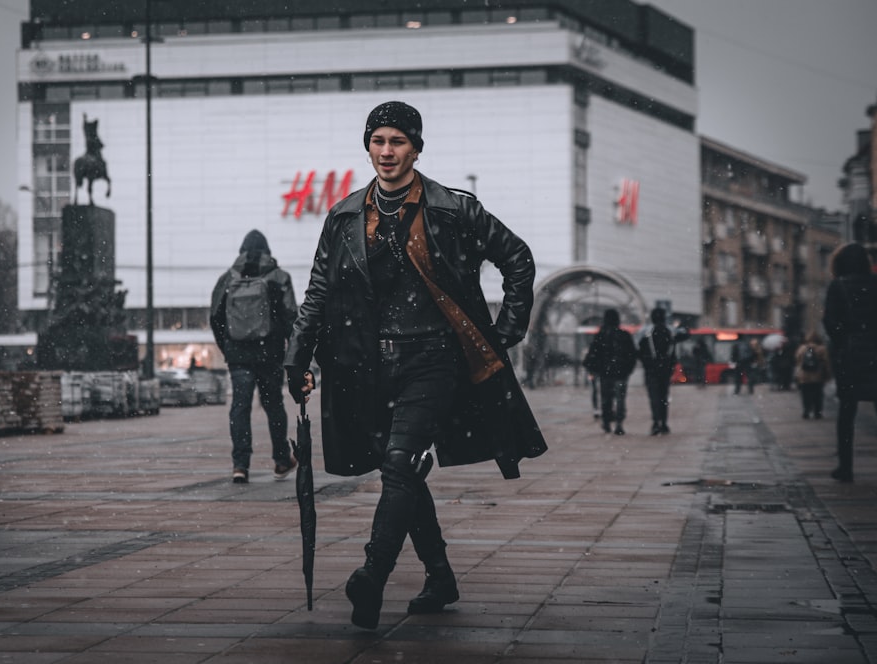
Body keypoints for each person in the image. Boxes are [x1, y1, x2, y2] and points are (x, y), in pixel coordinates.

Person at [284, 101, 547, 629]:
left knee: (401, 465)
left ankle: (371, 577)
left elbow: (517, 259)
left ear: (416, 148)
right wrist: (297, 356)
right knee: (398, 470)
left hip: (436, 359)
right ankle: (440, 574)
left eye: (398, 141)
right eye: (378, 141)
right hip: (369, 366)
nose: (387, 151)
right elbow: (318, 291)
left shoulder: (453, 208)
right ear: (368, 147)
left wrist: (505, 333)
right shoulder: (344, 216)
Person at [210, 230, 299, 484]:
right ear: (267, 251)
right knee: (274, 406)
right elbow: (291, 316)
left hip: (238, 355)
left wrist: (228, 348)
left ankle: (240, 465)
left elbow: (215, 318)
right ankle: (282, 459)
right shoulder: (279, 277)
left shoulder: (227, 279)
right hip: (269, 354)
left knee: (240, 407)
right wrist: (289, 350)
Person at [822, 242, 877, 483]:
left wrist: (844, 341)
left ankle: (846, 467)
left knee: (847, 412)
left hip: (851, 357)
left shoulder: (838, 286)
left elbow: (830, 323)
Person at [583, 309, 638, 434]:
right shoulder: (624, 335)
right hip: (621, 373)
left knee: (606, 398)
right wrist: (628, 369)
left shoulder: (601, 335)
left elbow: (593, 354)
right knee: (620, 399)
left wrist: (595, 368)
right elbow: (632, 354)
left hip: (605, 373)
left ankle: (606, 422)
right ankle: (619, 424)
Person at [637, 307, 677, 435]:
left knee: (654, 397)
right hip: (665, 370)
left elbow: (640, 352)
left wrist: (647, 363)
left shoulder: (647, 334)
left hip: (651, 371)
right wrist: (670, 367)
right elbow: (673, 355)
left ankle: (656, 422)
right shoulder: (669, 333)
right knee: (663, 397)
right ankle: (664, 423)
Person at [794, 332, 830, 420]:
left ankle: (806, 411)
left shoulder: (802, 348)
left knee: (805, 395)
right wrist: (827, 374)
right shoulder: (822, 349)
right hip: (818, 376)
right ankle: (817, 412)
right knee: (818, 394)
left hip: (804, 376)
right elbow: (826, 362)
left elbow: (797, 359)